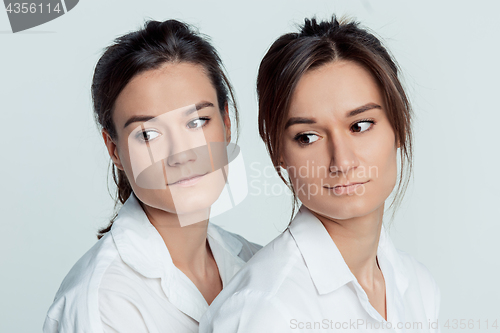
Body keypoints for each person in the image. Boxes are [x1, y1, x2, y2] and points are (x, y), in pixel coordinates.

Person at [200, 16, 440, 333]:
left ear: (398, 125)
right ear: (279, 153)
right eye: (308, 137)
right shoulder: (267, 310)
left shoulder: (418, 287)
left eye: (360, 125)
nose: (341, 161)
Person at [43, 19, 261, 333]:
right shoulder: (103, 302)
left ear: (226, 124)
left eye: (197, 122)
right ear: (114, 149)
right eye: (148, 134)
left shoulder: (255, 261)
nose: (181, 154)